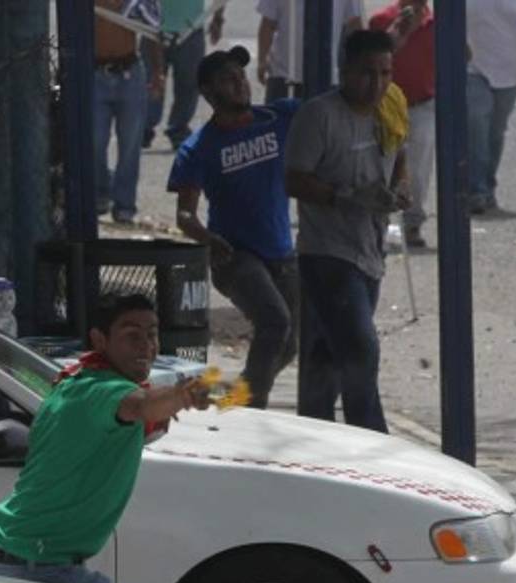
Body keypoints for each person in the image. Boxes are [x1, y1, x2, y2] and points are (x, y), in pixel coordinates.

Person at [0, 293, 211, 583]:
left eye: (152, 334)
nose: (146, 345)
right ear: (100, 339)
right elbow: (140, 407)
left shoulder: (81, 381)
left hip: (26, 561)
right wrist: (183, 396)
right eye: (131, 335)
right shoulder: (97, 391)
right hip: (29, 569)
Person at [284, 30, 410, 433]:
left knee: (328, 351)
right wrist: (345, 196)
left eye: (385, 73)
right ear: (345, 70)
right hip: (327, 253)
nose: (376, 84)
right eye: (366, 73)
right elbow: (294, 180)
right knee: (360, 347)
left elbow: (400, 153)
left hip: (371, 249)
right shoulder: (319, 115)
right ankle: (371, 438)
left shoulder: (390, 106)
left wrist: (399, 189)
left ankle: (316, 434)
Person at [168, 46, 300, 409]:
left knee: (289, 343)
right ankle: (250, 413)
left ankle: (240, 396)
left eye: (241, 76)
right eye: (230, 79)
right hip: (236, 257)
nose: (241, 84)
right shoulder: (198, 148)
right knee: (275, 321)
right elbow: (184, 215)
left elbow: (325, 111)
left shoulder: (279, 117)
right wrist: (209, 239)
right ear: (210, 94)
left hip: (281, 252)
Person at [466, 0, 516, 214]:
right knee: (476, 126)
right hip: (472, 70)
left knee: (495, 134)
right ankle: (476, 191)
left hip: (508, 74)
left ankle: (487, 186)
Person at [370, 0, 435, 249]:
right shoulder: (382, 20)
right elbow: (372, 59)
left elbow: (464, 55)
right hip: (386, 104)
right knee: (384, 166)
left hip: (422, 104)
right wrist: (403, 32)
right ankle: (380, 221)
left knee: (418, 170)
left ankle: (413, 222)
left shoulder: (435, 25)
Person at [94, 0, 164, 224]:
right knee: (95, 141)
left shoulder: (135, 3)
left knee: (131, 146)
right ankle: (100, 193)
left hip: (130, 73)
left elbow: (153, 30)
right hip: (95, 73)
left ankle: (124, 205)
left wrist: (158, 72)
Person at [142, 2, 226, 150]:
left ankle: (178, 129)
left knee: (189, 84)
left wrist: (218, 18)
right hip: (153, 26)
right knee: (150, 81)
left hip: (191, 28)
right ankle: (144, 127)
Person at [256, 0, 363, 101]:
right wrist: (262, 60)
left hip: (328, 77)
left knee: (325, 118)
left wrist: (358, 65)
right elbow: (267, 25)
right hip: (283, 76)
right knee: (281, 118)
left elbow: (354, 25)